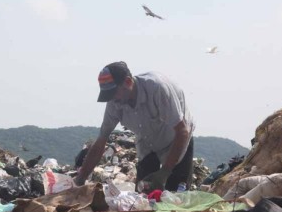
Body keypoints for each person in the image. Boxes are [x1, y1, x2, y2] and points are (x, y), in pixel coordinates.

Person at [74, 61, 195, 191]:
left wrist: (165, 172)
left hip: (176, 140)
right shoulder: (114, 103)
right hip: (147, 143)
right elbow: (100, 143)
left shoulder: (157, 89)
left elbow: (182, 132)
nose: (113, 99)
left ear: (127, 82)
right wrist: (80, 180)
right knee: (142, 196)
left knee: (176, 196)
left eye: (114, 93)